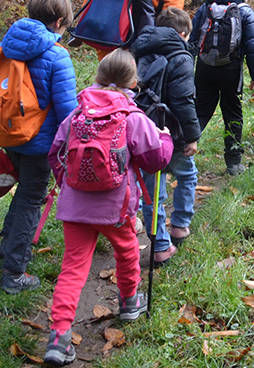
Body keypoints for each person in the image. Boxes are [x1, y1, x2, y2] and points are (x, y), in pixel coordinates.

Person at [42, 49, 173, 367]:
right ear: (133, 82)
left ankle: (59, 337)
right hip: (116, 207)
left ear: (98, 78)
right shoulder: (133, 118)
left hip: (75, 207)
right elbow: (156, 159)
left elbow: (56, 153)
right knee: (127, 252)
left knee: (72, 269)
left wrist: (70, 184)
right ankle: (130, 303)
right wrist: (166, 138)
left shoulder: (76, 114)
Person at [0, 0, 78, 294]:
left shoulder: (5, 47)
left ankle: (6, 244)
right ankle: (14, 272)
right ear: (58, 22)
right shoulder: (57, 55)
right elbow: (68, 110)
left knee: (23, 191)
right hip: (40, 144)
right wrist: (72, 143)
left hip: (7, 136)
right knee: (31, 198)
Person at [131, 6, 200, 266]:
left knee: (153, 188)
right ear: (182, 33)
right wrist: (192, 136)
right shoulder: (180, 57)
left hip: (143, 132)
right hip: (171, 132)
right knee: (187, 174)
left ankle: (159, 245)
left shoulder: (138, 50)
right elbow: (183, 101)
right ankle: (180, 225)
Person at [190, 0, 254, 176]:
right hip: (231, 69)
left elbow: (193, 39)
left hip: (203, 66)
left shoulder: (205, 7)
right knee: (233, 114)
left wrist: (187, 66)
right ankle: (233, 163)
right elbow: (253, 45)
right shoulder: (245, 11)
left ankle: (181, 153)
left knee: (200, 110)